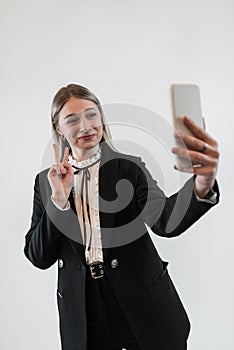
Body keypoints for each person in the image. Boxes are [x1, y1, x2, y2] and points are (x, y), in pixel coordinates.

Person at [24, 84, 219, 350]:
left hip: (143, 304)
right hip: (84, 312)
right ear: (58, 127)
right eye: (72, 119)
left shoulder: (130, 167)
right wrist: (58, 201)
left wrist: (202, 185)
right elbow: (38, 257)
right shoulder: (46, 182)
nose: (85, 126)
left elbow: (165, 220)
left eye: (92, 115)